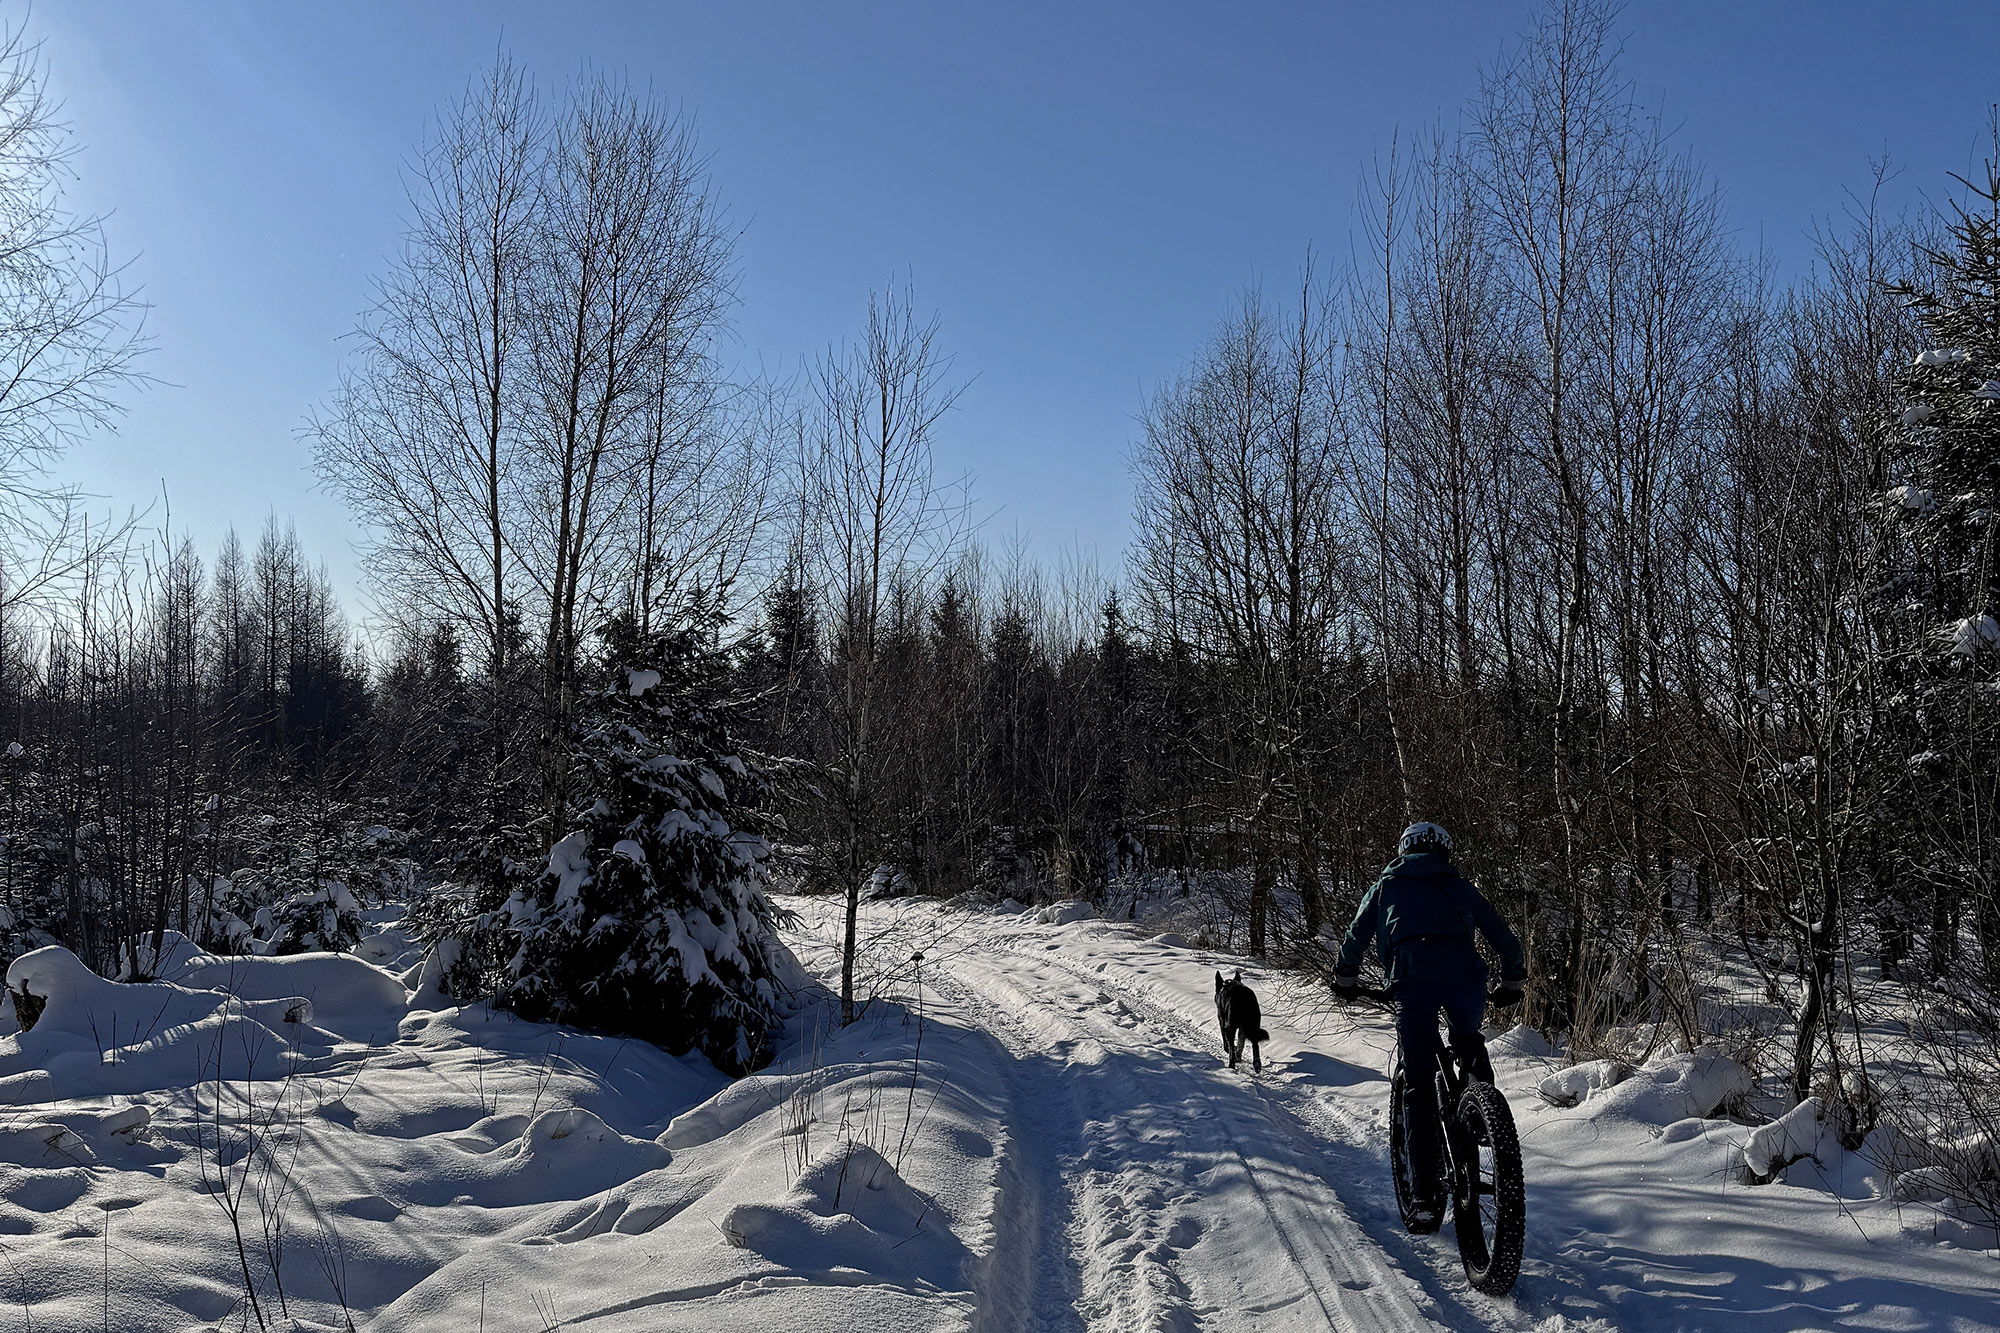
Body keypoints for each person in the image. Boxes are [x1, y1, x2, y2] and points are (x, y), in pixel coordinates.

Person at [1331, 821, 1526, 1222]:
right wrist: (1511, 980)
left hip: (1411, 982)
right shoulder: (1458, 885)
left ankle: (1423, 1196)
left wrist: (1345, 979)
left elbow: (1356, 934)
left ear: (1404, 850)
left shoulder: (1387, 885)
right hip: (1465, 981)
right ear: (1444, 852)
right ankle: (1480, 1112)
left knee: (1418, 1082)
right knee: (1467, 1039)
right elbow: (1501, 934)